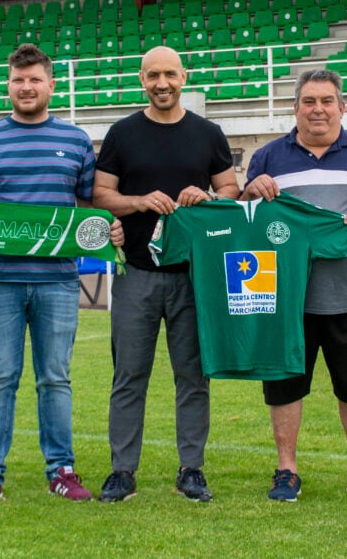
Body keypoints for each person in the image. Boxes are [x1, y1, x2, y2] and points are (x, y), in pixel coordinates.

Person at [0, 43, 124, 507]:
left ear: (51, 85)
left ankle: (61, 470)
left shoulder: (78, 140)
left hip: (58, 281)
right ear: (9, 85)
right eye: (18, 80)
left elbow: (89, 206)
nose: (26, 87)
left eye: (35, 79)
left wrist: (110, 228)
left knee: (55, 378)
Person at [241, 68, 347, 502]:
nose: (318, 109)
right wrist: (249, 189)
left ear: (341, 107)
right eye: (309, 101)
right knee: (285, 387)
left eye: (326, 101)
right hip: (283, 297)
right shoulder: (269, 156)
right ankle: (286, 471)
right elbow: (245, 216)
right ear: (295, 109)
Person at [92, 45, 240, 502]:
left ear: (183, 77)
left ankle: (191, 469)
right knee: (128, 376)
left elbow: (231, 189)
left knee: (193, 377)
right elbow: (100, 194)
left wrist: (209, 197)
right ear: (142, 79)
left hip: (195, 276)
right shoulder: (121, 133)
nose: (162, 83)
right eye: (153, 75)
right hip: (136, 273)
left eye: (170, 75)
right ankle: (122, 471)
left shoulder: (208, 132)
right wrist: (138, 201)